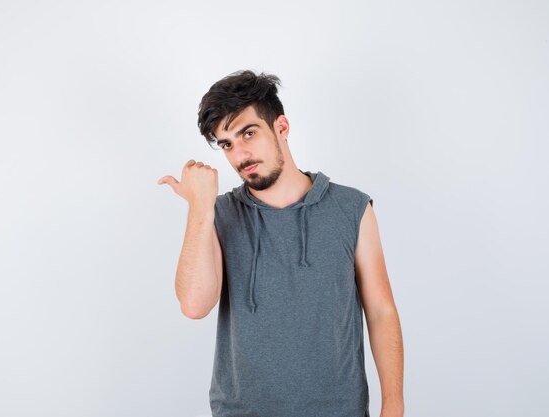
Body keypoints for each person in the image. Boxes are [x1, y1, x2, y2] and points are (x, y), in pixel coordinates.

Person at [158, 70, 404, 417]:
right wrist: (200, 206)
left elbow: (381, 311)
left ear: (281, 128)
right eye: (226, 143)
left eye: (248, 133)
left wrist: (393, 406)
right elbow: (195, 305)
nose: (240, 154)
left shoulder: (351, 208)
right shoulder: (219, 214)